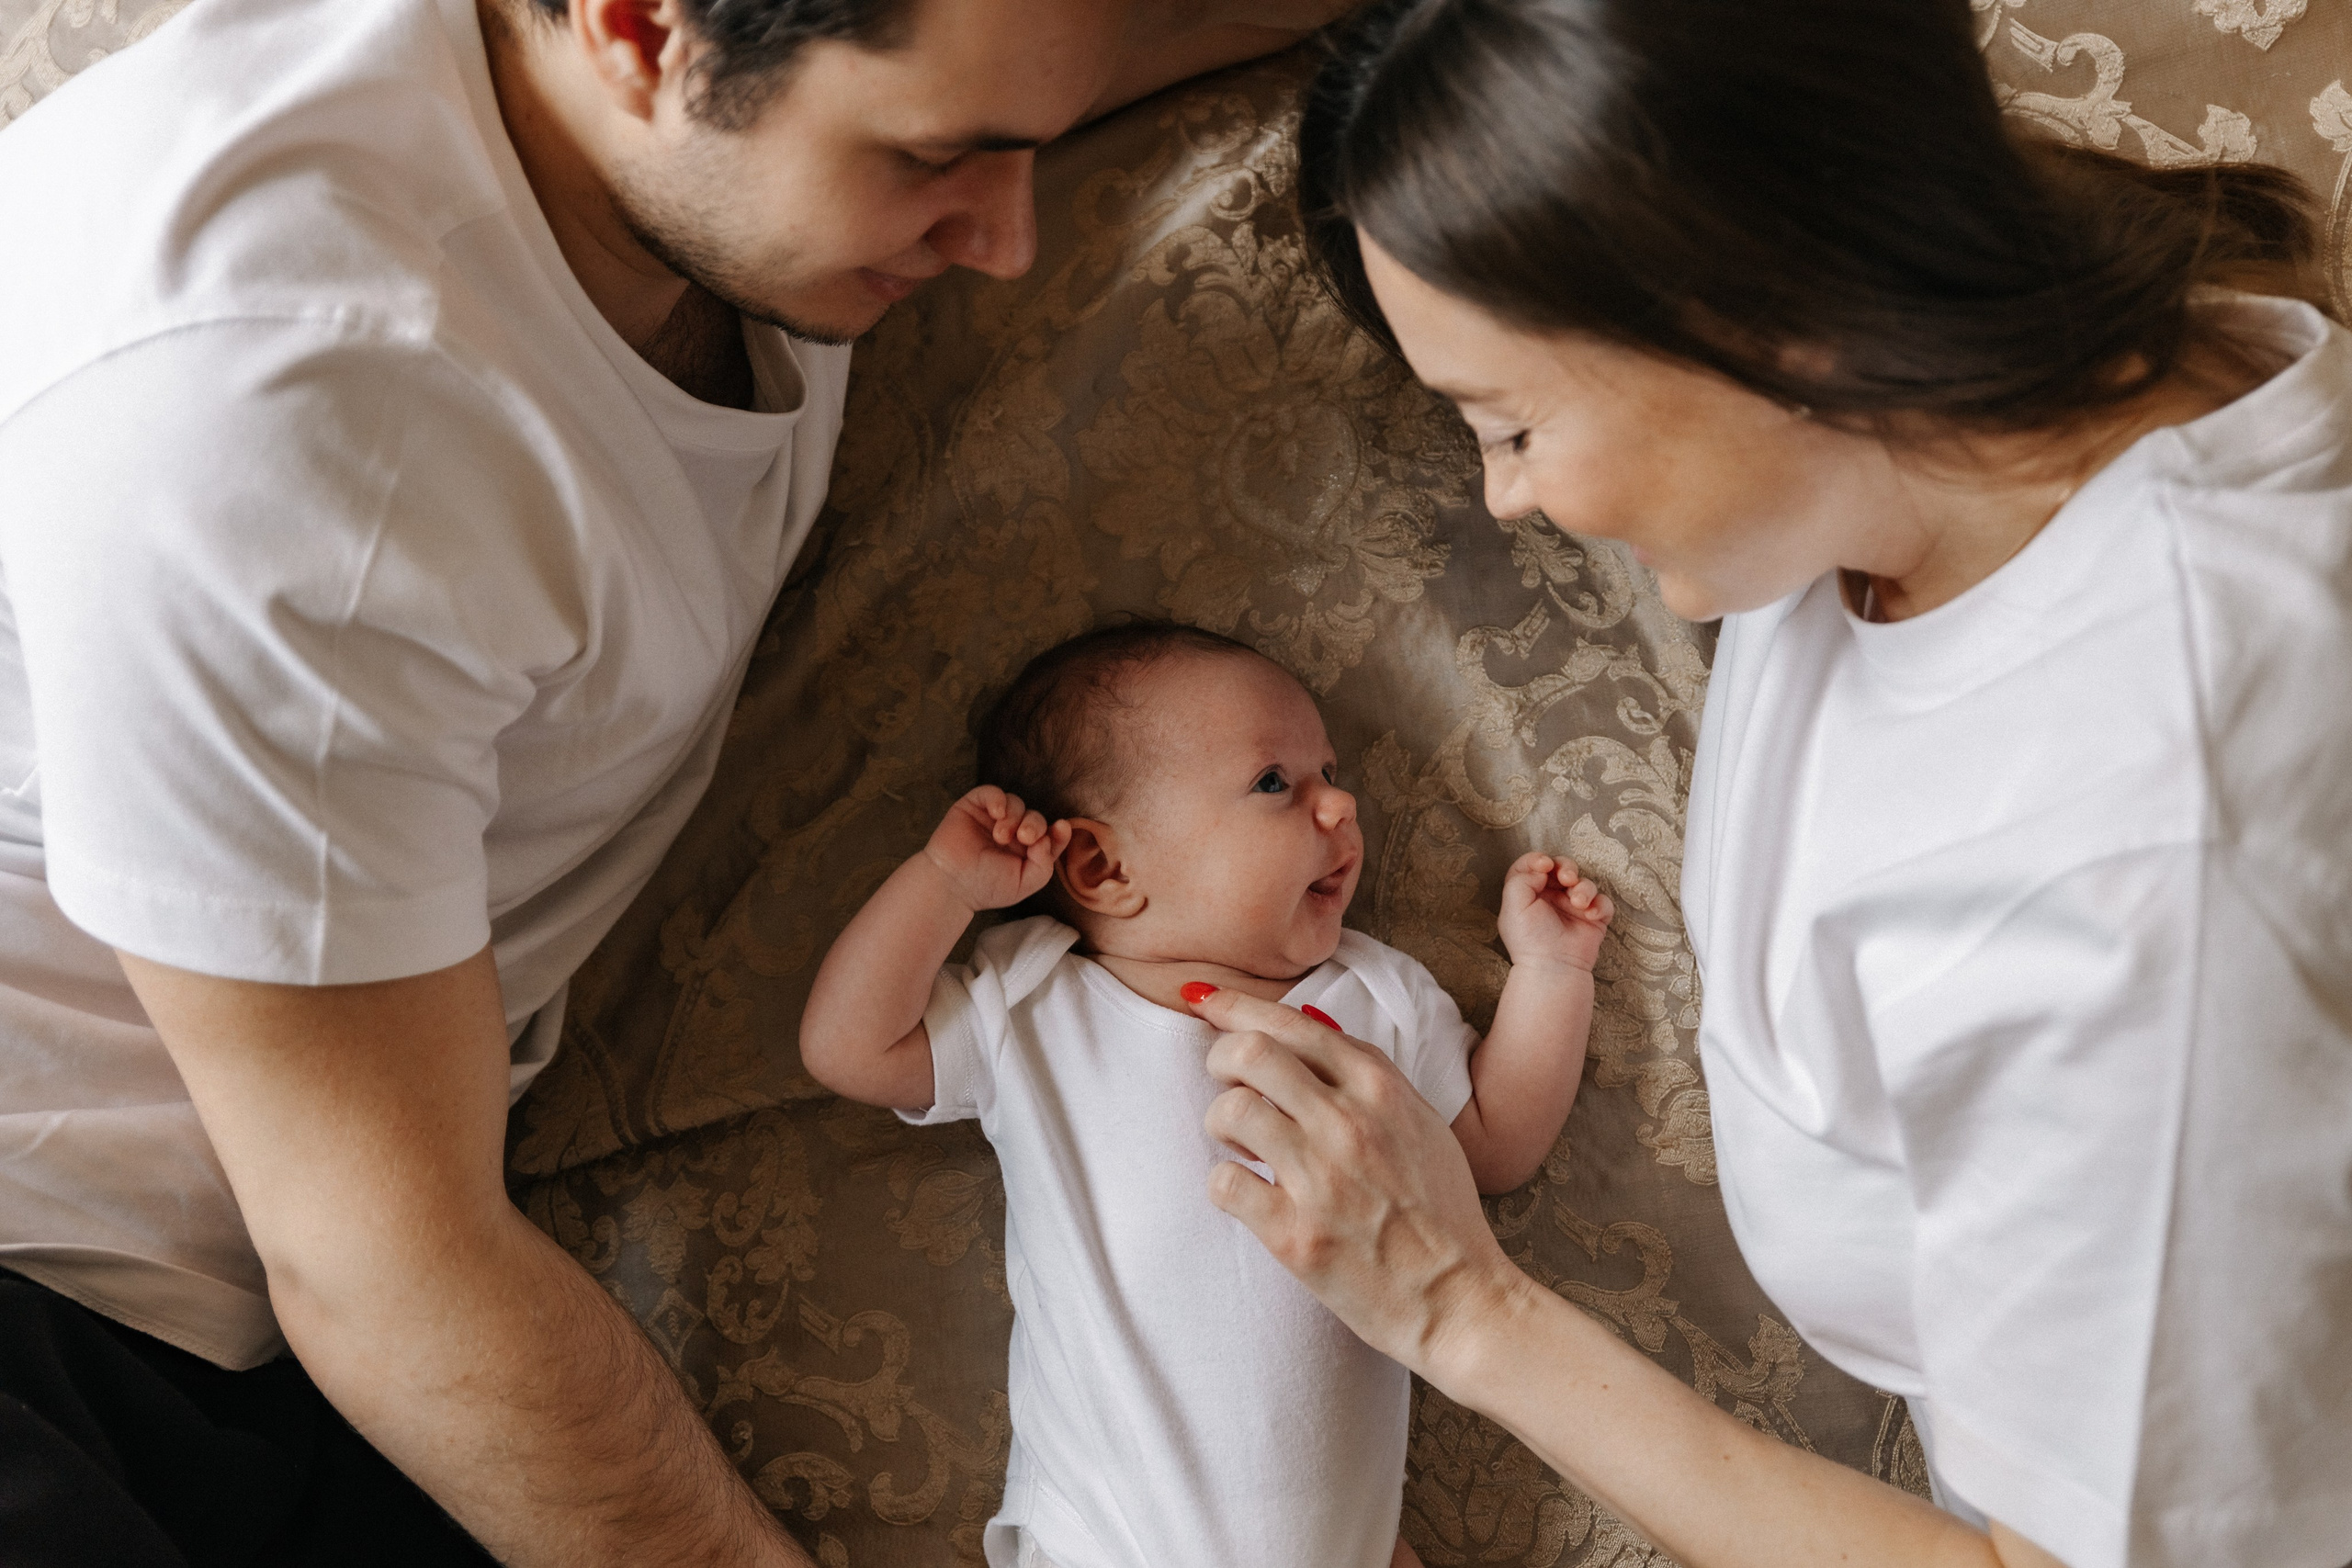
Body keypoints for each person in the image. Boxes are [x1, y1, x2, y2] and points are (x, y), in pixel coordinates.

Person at [0, 2, 1348, 1563]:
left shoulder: (701, 125)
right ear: (640, 29)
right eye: (932, 159)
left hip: (266, 1324)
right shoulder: (294, 417)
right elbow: (380, 1261)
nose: (1001, 236)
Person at [1181, 2, 2352, 1566]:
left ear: (1768, 315)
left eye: (1514, 424)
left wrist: (1459, 1306)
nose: (1506, 498)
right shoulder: (2009, 350)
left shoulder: (2148, 875)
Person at [798, 623, 1613, 1568]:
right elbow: (847, 1048)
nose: (1340, 803)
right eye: (1276, 783)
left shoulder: (1374, 994)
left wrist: (1551, 977)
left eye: (1329, 771)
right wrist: (943, 885)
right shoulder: (1035, 999)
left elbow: (1490, 1146)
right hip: (1104, 1541)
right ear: (1104, 870)